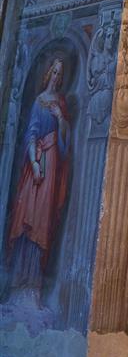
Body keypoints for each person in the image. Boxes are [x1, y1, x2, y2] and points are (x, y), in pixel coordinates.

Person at [7, 57, 70, 304]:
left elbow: (67, 143)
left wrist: (61, 119)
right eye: (54, 71)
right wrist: (34, 163)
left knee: (42, 220)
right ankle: (17, 283)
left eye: (60, 73)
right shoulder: (38, 102)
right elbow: (31, 133)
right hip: (39, 160)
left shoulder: (61, 103)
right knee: (26, 217)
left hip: (52, 160)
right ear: (48, 74)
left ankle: (33, 285)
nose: (56, 76)